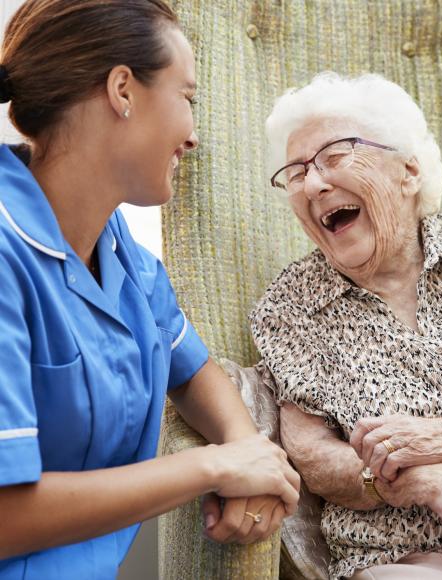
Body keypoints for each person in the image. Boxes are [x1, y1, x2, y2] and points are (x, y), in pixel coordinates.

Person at [0, 1, 300, 578]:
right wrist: (214, 468)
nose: (193, 136)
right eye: (188, 98)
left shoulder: (115, 248)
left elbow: (190, 366)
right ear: (123, 90)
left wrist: (249, 449)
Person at [250, 72, 442, 580]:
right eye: (296, 172)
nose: (313, 183)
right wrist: (429, 480)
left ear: (409, 170)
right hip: (416, 559)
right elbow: (314, 458)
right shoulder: (290, 306)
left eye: (334, 156)